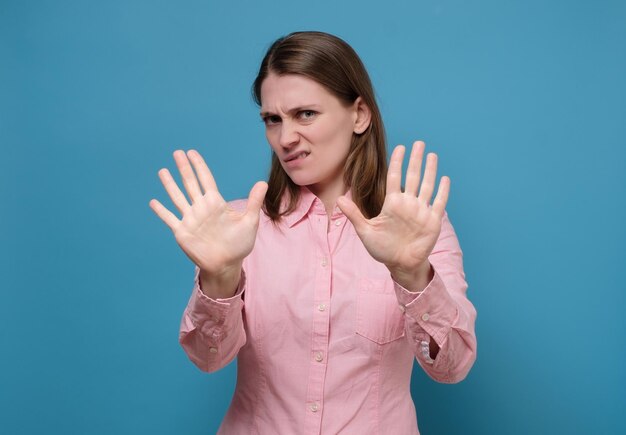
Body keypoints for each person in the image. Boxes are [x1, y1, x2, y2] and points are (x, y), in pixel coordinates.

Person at [149, 31, 477, 435]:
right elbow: (208, 358)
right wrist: (219, 279)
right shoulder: (238, 229)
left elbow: (453, 367)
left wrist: (412, 276)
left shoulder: (419, 230)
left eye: (305, 114)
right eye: (273, 119)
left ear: (359, 114)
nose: (285, 139)